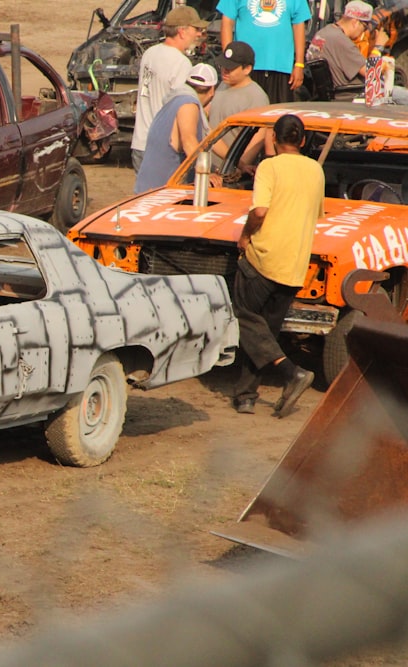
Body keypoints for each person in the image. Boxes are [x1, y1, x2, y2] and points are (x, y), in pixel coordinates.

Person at [232, 114, 323, 417]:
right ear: (303, 141)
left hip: (264, 258)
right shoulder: (316, 170)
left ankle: (291, 373)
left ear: (273, 138)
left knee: (243, 316)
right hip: (295, 264)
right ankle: (246, 396)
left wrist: (244, 236)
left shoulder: (269, 167)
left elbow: (259, 211)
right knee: (264, 332)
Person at [130, 5, 209, 173]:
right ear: (182, 31)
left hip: (140, 143)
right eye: (196, 29)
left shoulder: (150, 53)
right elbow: (182, 108)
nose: (198, 34)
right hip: (161, 148)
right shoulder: (181, 63)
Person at [134, 63, 218, 194]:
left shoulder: (174, 100)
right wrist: (206, 173)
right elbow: (189, 141)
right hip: (161, 193)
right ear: (212, 90)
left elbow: (211, 137)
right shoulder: (188, 105)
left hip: (148, 189)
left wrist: (240, 163)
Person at [306, 0, 408, 103]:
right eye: (364, 27)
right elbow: (371, 74)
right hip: (353, 94)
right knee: (403, 96)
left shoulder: (323, 33)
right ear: (355, 22)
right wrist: (378, 47)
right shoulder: (341, 41)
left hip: (336, 93)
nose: (362, 33)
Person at [217, 0, 310, 104]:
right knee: (244, 114)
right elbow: (227, 23)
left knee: (277, 115)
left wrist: (299, 64)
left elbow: (298, 26)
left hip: (281, 68)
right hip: (245, 68)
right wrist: (229, 61)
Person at [208, 41, 270, 168]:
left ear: (247, 69)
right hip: (209, 164)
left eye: (230, 69)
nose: (224, 71)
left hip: (228, 170)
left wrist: (240, 165)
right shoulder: (223, 85)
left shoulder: (256, 97)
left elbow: (258, 137)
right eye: (223, 67)